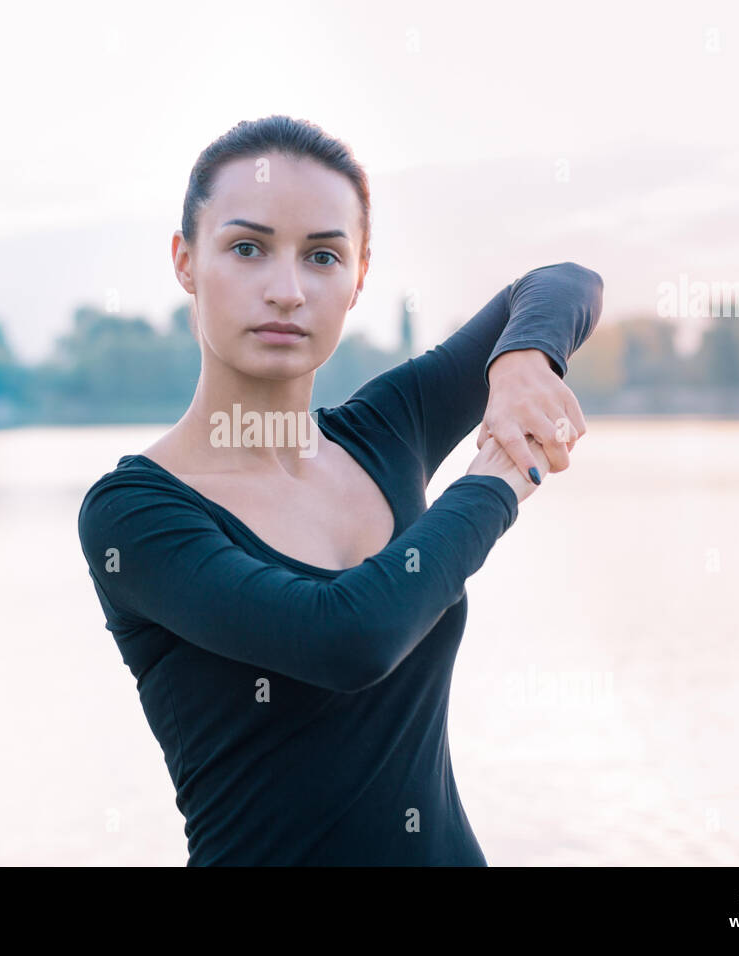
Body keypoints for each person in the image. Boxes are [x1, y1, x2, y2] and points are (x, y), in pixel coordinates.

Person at [77, 115, 603, 865]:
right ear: (186, 261)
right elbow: (349, 639)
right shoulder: (134, 514)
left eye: (323, 256)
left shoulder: (387, 429)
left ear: (358, 279)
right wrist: (498, 478)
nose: (287, 291)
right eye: (248, 248)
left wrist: (523, 359)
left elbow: (564, 284)